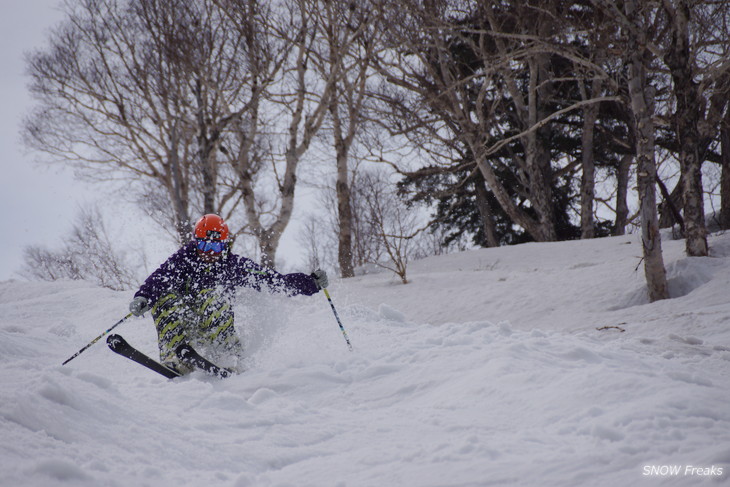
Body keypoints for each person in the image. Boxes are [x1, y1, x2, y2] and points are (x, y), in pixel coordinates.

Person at [128, 214, 328, 374]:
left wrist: (310, 283)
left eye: (216, 246)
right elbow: (158, 279)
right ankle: (176, 358)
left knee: (213, 295)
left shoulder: (233, 266)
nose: (209, 252)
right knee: (163, 298)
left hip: (214, 327)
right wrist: (143, 297)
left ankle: (228, 356)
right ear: (196, 242)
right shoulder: (183, 260)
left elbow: (273, 280)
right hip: (186, 325)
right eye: (204, 245)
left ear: (224, 245)